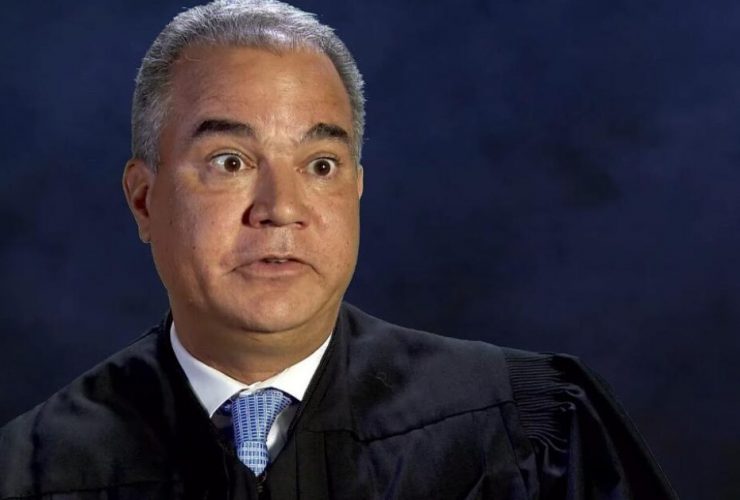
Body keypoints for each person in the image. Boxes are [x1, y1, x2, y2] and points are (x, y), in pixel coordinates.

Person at [0, 1, 677, 498]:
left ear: (355, 188)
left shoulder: (528, 431)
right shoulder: (31, 469)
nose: (281, 208)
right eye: (230, 162)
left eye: (320, 165)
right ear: (144, 199)